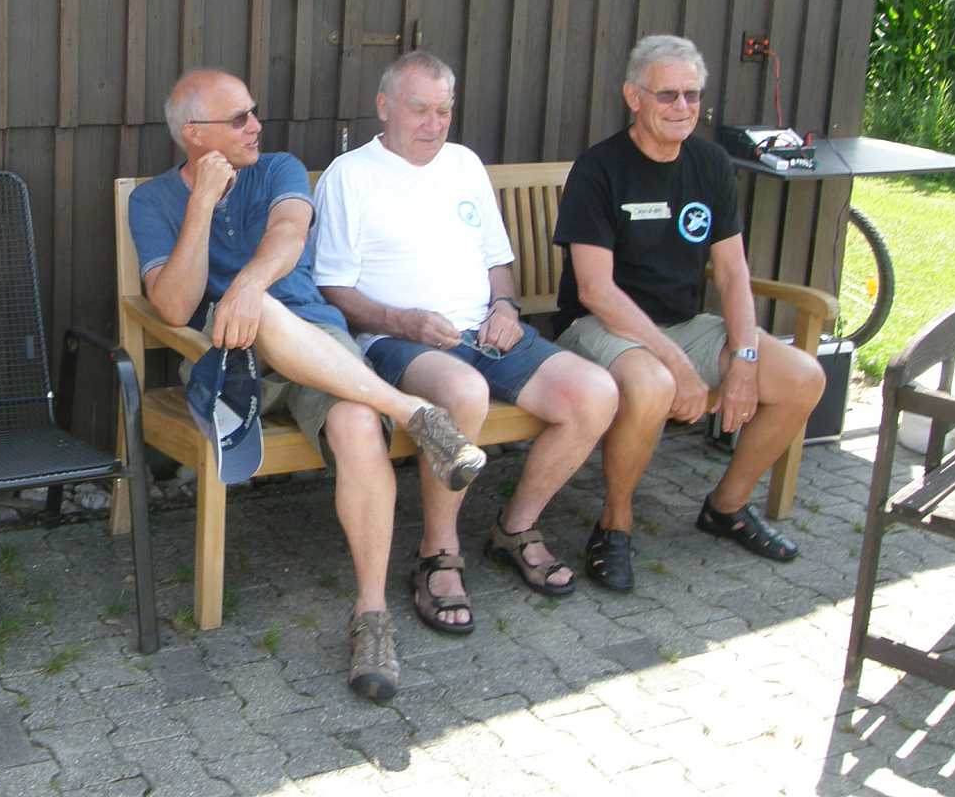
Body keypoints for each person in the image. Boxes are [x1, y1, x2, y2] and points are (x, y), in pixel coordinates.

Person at [129, 69, 486, 703]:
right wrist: (202, 204)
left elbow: (290, 236)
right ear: (194, 134)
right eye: (237, 118)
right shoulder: (152, 200)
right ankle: (414, 413)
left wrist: (246, 286)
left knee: (354, 421)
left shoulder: (278, 169)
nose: (255, 125)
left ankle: (371, 616)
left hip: (319, 342)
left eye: (253, 111)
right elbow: (176, 307)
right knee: (263, 317)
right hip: (228, 357)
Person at [312, 51, 617, 634]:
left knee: (595, 392)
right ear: (384, 107)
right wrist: (403, 321)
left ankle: (515, 527)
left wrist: (505, 306)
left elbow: (497, 261)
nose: (434, 124)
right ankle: (437, 552)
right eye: (419, 109)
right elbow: (333, 288)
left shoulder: (465, 164)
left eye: (444, 110)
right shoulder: (350, 175)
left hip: (485, 329)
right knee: (465, 392)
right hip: (396, 341)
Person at [552, 34, 825, 593]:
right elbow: (596, 291)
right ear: (634, 97)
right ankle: (615, 525)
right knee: (652, 383)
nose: (682, 107)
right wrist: (677, 364)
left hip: (685, 325)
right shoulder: (600, 168)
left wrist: (744, 356)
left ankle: (727, 507)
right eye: (667, 95)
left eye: (692, 95)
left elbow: (732, 272)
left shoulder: (710, 163)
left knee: (803, 376)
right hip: (600, 327)